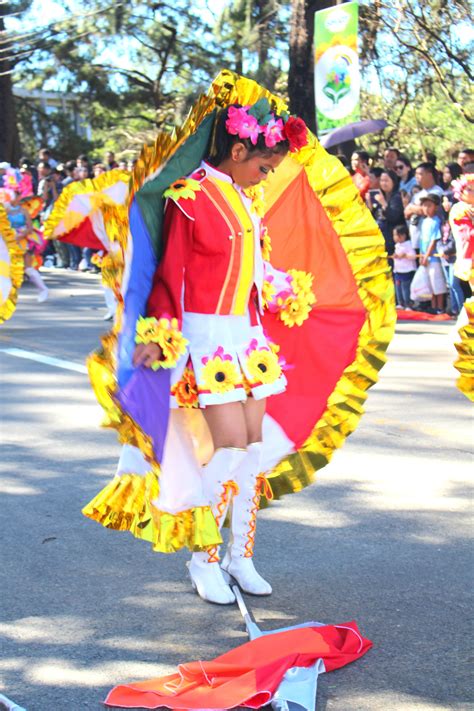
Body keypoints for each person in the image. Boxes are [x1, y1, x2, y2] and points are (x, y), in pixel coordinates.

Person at [130, 102, 312, 605]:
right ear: (237, 150)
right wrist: (159, 331)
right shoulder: (188, 197)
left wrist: (279, 289)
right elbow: (171, 275)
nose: (264, 178)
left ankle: (241, 555)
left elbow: (253, 269)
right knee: (227, 447)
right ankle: (203, 559)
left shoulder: (244, 200)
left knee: (252, 450)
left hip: (248, 337)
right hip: (206, 339)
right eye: (262, 167)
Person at [4, 187, 48, 302]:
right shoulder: (4, 210)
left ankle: (43, 289)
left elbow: (29, 227)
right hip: (8, 240)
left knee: (28, 268)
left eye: (15, 195)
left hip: (23, 240)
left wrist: (20, 236)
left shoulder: (23, 210)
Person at [418, 193, 447, 313]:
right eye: (424, 205)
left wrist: (427, 255)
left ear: (435, 207)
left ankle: (440, 307)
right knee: (429, 283)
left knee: (437, 283)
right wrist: (421, 255)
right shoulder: (424, 221)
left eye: (429, 205)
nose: (426, 208)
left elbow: (433, 240)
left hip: (433, 257)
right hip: (425, 256)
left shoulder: (436, 221)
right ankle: (433, 306)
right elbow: (422, 240)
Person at [369, 169, 405, 254]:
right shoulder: (380, 196)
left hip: (392, 239)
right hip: (379, 237)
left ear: (393, 181)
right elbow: (375, 218)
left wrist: (384, 204)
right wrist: (370, 208)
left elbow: (394, 216)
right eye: (381, 180)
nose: (383, 183)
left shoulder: (397, 197)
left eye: (386, 181)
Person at [392, 224, 416, 309]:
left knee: (406, 288)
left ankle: (408, 304)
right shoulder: (397, 245)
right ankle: (400, 303)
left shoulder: (408, 244)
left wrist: (405, 255)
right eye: (394, 235)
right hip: (398, 270)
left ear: (403, 235)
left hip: (407, 270)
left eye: (396, 235)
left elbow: (413, 256)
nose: (394, 237)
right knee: (398, 287)